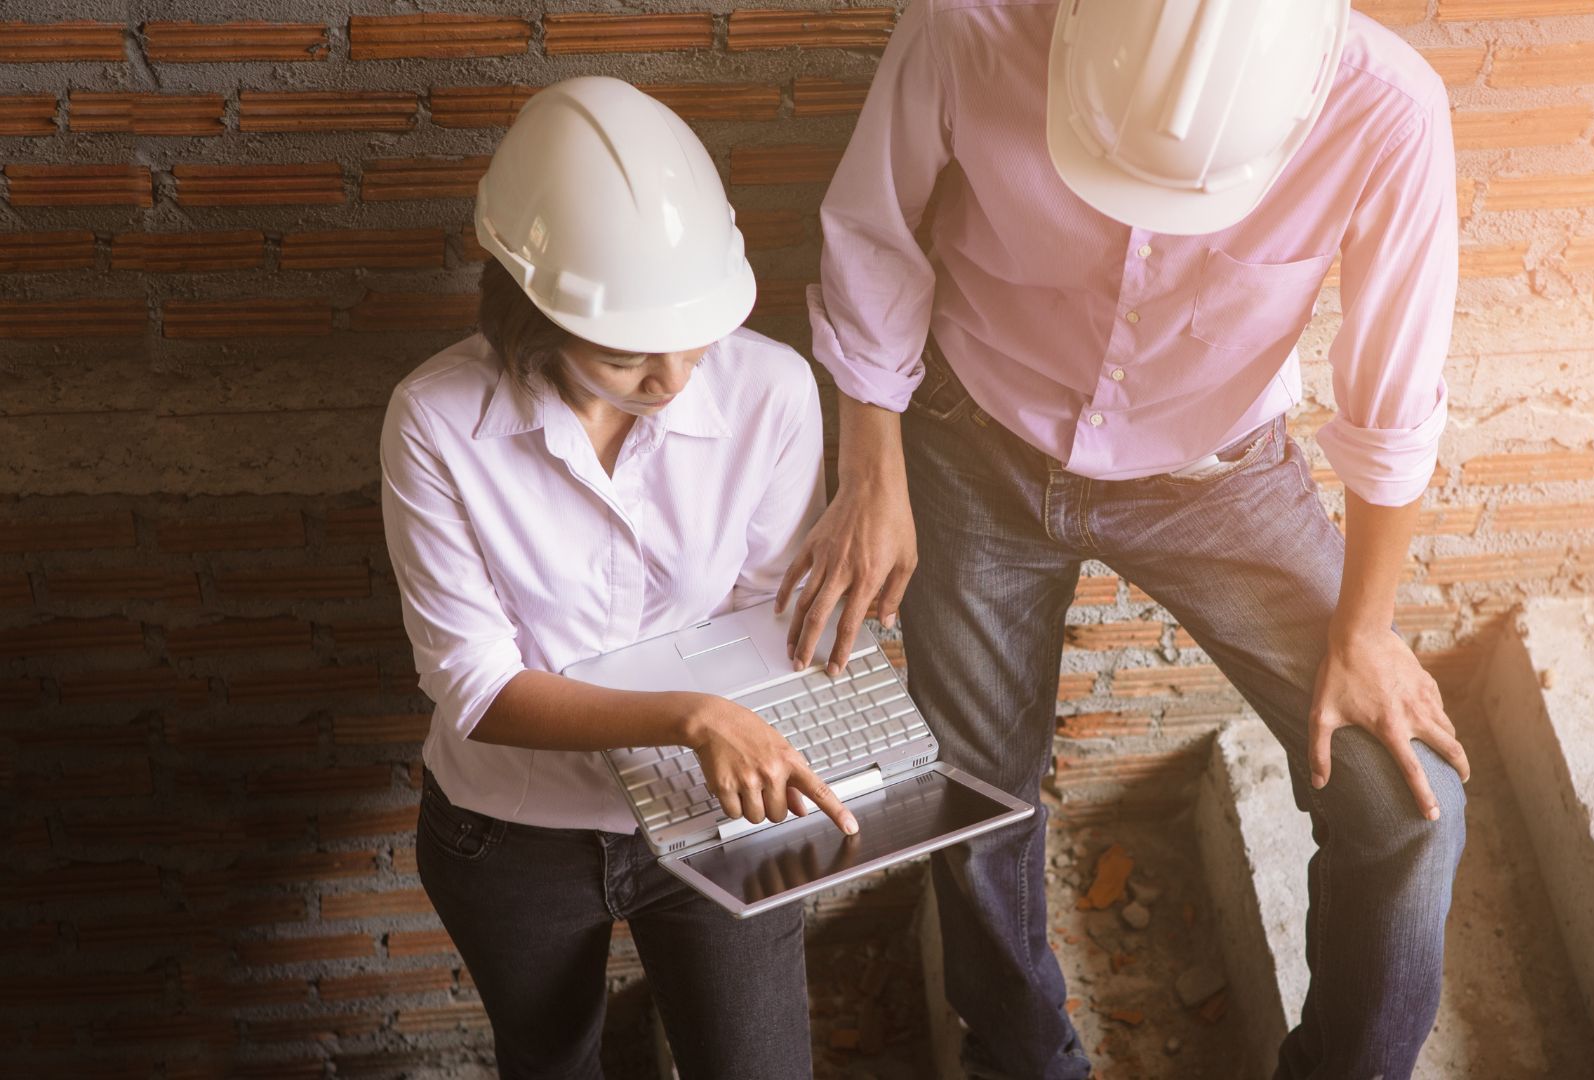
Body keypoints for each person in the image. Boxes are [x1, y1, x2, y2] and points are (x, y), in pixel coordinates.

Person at [784, 2, 1470, 1077]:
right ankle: (1021, 1057)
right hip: (971, 445)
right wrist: (874, 469)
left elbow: (1392, 410)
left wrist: (1368, 628)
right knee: (976, 796)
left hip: (1216, 479)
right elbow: (872, 232)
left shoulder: (1387, 108)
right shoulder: (970, 26)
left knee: (1409, 805)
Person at [380, 76, 856, 1080]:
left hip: (718, 815)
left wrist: (789, 699)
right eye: (629, 352)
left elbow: (761, 609)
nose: (677, 377)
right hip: (511, 837)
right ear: (529, 306)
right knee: (551, 1063)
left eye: (694, 335)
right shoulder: (435, 422)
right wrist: (689, 715)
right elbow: (474, 685)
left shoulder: (769, 390)